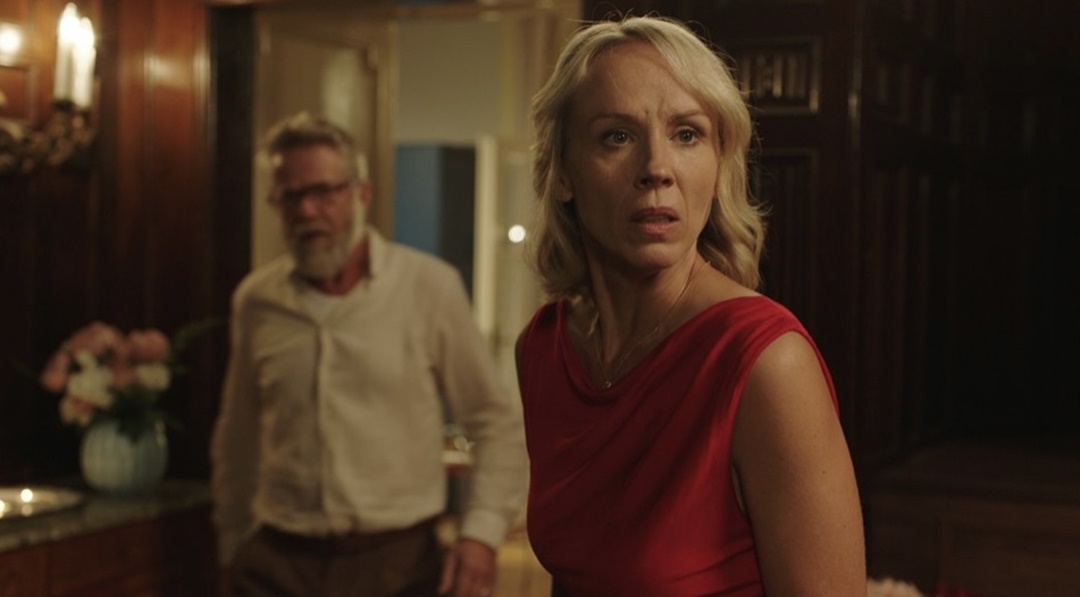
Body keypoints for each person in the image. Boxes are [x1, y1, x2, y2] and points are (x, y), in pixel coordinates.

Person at [515, 15, 866, 596]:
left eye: (686, 135)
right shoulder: (544, 346)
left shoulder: (766, 364)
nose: (656, 169)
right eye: (617, 136)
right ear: (564, 173)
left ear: (718, 164)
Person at [211, 112, 527, 597]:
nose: (307, 210)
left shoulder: (428, 287)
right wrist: (232, 545)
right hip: (276, 562)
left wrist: (480, 535)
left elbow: (493, 421)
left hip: (396, 564)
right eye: (290, 197)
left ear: (362, 194)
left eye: (323, 192)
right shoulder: (256, 301)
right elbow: (238, 436)